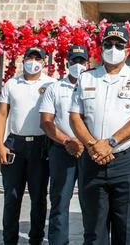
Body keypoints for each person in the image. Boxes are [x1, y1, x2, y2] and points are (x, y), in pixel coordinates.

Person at [70, 25, 130, 245]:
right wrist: (92, 145)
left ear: (127, 51)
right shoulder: (87, 78)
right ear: (101, 48)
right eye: (108, 44)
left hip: (126, 161)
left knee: (127, 232)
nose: (113, 48)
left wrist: (111, 143)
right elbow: (75, 116)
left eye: (119, 45)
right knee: (94, 231)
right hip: (93, 161)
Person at [0, 46, 56, 245]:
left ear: (44, 62)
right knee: (12, 197)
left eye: (38, 58)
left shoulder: (52, 83)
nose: (33, 61)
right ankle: (9, 240)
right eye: (30, 57)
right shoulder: (12, 83)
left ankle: (36, 239)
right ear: (23, 59)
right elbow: (2, 114)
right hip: (15, 145)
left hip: (41, 146)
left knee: (38, 197)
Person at [39, 45, 89, 245]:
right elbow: (46, 121)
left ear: (88, 63)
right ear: (68, 63)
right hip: (62, 151)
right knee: (60, 201)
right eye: (74, 61)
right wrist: (67, 141)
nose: (78, 65)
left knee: (92, 202)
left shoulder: (96, 86)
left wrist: (86, 143)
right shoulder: (55, 88)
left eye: (82, 61)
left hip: (89, 152)